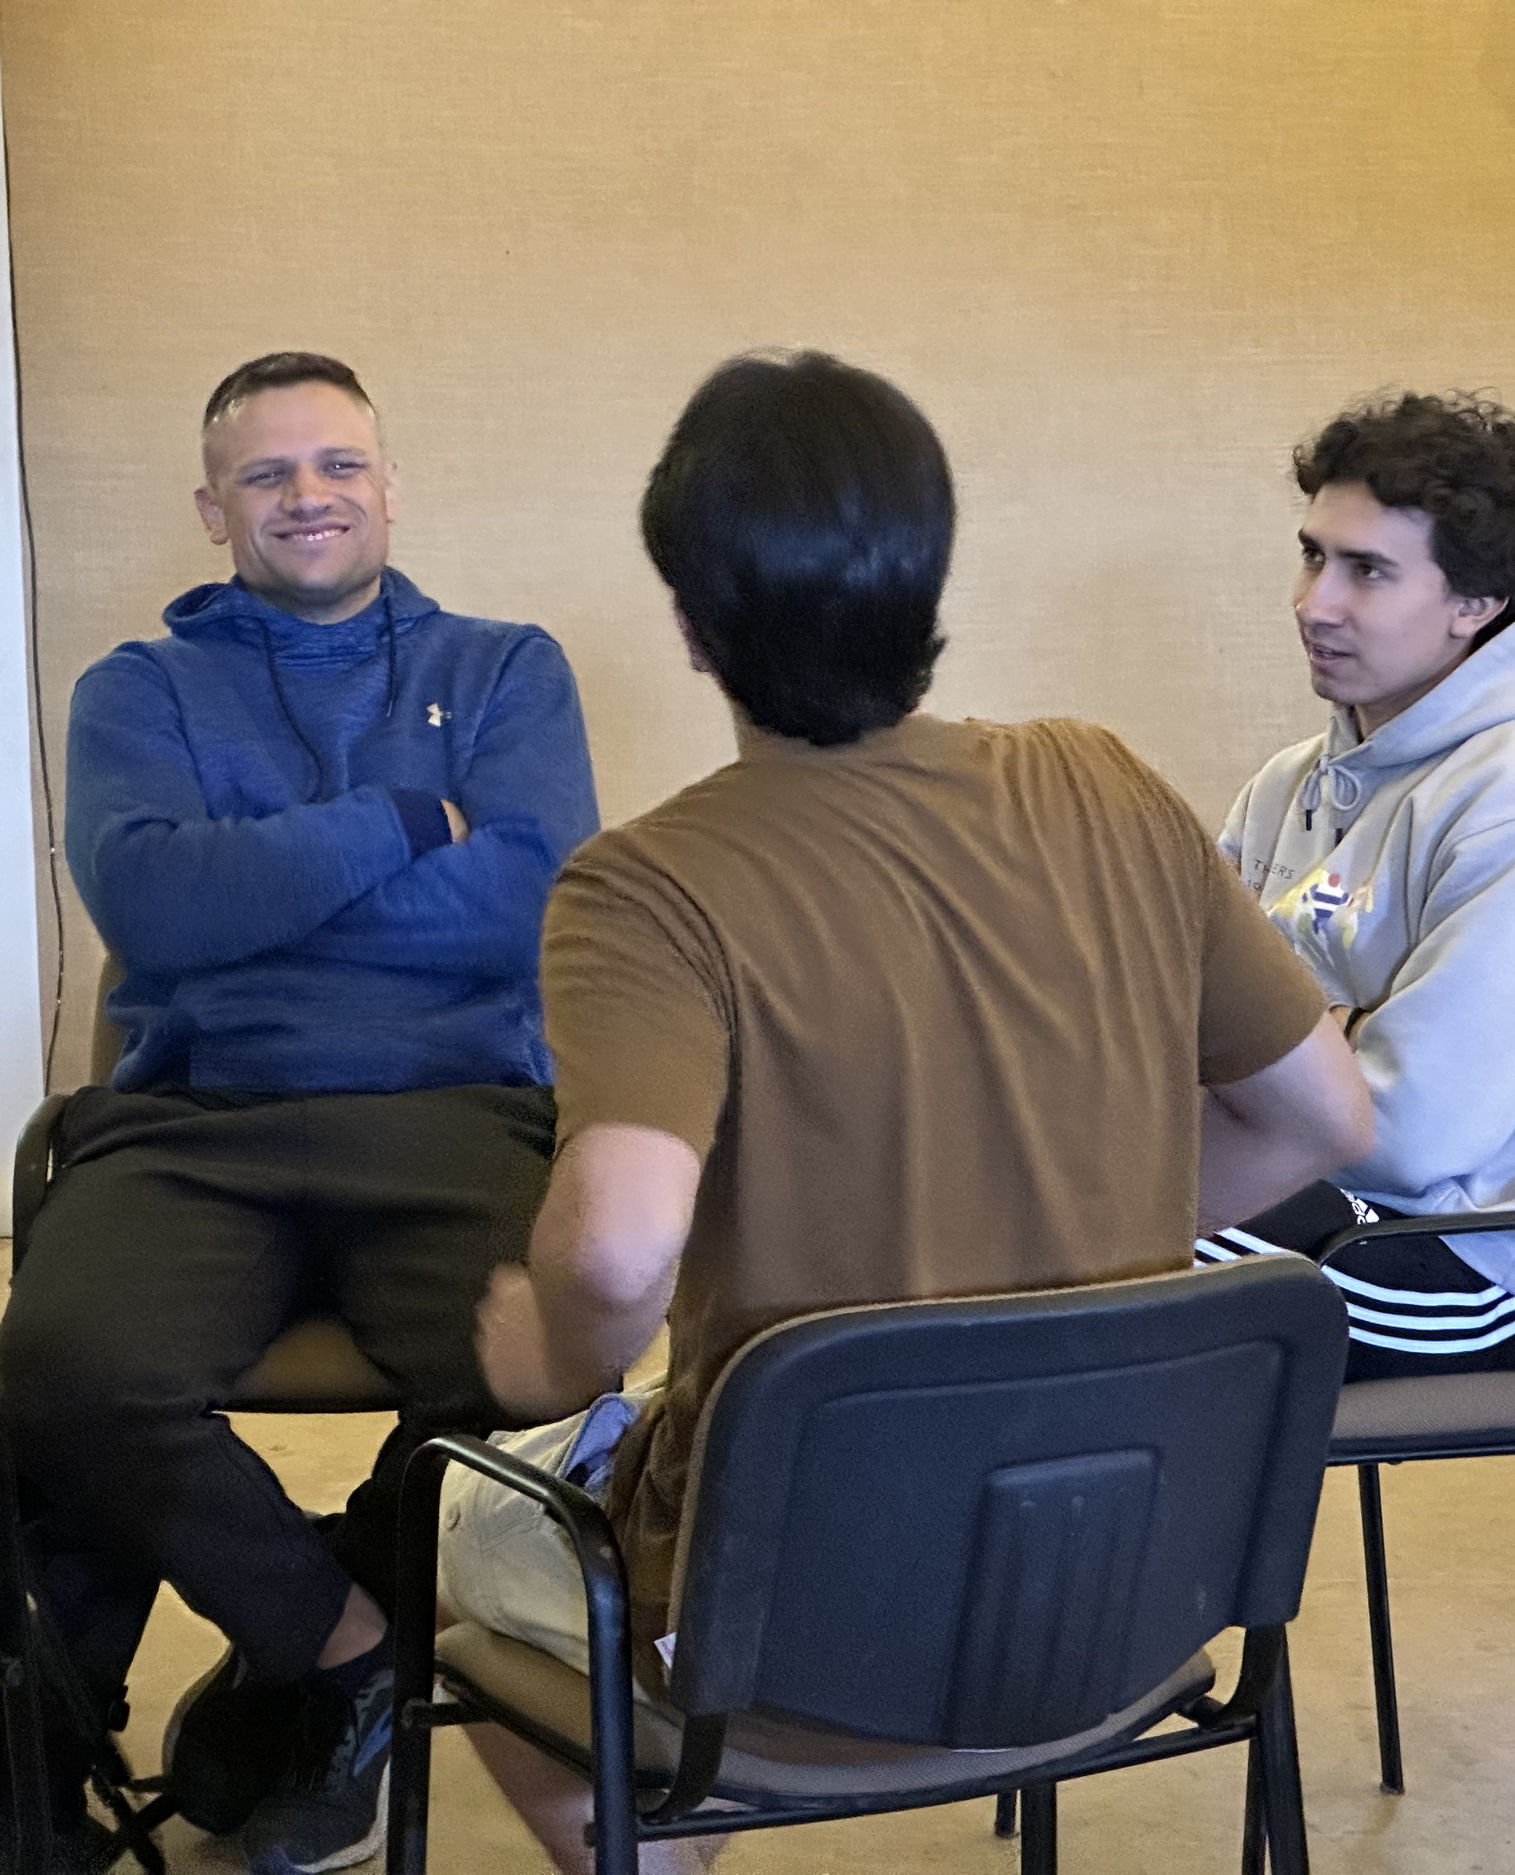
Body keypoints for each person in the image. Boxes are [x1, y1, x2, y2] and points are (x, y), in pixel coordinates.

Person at [438, 350, 1376, 1873]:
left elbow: (615, 1251)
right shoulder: (1108, 787)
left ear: (691, 625)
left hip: (798, 1649)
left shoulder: (647, 888)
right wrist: (1089, 1234)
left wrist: (539, 1354)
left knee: (459, 1533)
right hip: (1136, 1593)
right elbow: (1324, 1116)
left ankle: (667, 1841)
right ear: (927, 580)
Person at [0, 351, 599, 1870]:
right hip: (194, 1120)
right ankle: (341, 1650)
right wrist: (401, 821)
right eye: (266, 473)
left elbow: (527, 897)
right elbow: (156, 902)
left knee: (538, 1380)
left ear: (389, 487)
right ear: (214, 510)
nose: (307, 496)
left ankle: (327, 1644)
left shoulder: (508, 668)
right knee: (66, 1370)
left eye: (338, 464)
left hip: (454, 1107)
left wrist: (258, 886)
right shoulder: (137, 690)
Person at [1200, 391, 1515, 1380]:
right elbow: (1176, 1015)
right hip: (1325, 1194)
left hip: (1449, 1263)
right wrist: (1318, 1042)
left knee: (1066, 1250)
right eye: (1313, 556)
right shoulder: (1291, 784)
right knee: (1027, 1195)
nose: (1315, 603)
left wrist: (1245, 1058)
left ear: (1474, 603)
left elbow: (1412, 1136)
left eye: (1367, 571)